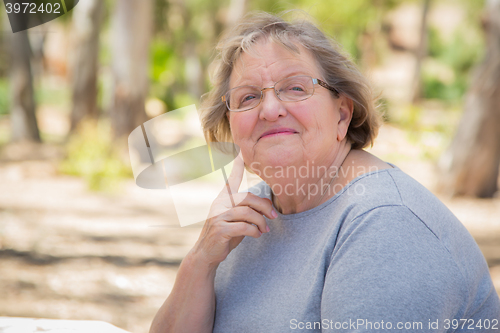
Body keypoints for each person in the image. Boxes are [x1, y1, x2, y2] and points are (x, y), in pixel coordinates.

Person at [150, 12, 500, 333]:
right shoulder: (248, 212)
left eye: (296, 88)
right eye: (247, 98)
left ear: (343, 114)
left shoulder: (384, 223)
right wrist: (200, 261)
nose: (270, 109)